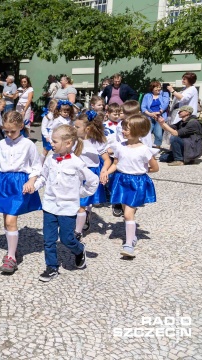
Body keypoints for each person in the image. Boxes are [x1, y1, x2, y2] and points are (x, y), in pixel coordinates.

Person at [0, 111, 43, 274]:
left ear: (21, 126)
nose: (9, 134)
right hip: (2, 183)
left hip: (19, 184)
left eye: (12, 131)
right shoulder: (0, 144)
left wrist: (32, 181)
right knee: (7, 219)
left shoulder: (28, 145)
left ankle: (11, 256)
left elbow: (37, 166)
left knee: (11, 219)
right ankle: (12, 248)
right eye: (6, 131)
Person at [33, 125, 99, 282]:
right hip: (49, 206)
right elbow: (43, 177)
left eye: (55, 142)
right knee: (48, 240)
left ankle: (79, 250)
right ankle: (51, 267)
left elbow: (93, 181)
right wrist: (33, 187)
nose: (51, 144)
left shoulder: (76, 163)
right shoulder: (50, 160)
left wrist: (79, 194)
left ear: (68, 143)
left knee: (66, 238)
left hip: (68, 208)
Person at [105, 115, 158, 258]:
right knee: (126, 212)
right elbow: (115, 163)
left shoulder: (144, 149)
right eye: (123, 128)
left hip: (136, 183)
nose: (122, 131)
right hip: (121, 181)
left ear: (137, 130)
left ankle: (129, 245)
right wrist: (105, 173)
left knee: (128, 214)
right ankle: (132, 235)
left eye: (126, 128)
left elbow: (155, 167)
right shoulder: (120, 146)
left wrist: (140, 171)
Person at [73, 111, 112, 239]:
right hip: (76, 174)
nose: (74, 128)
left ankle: (77, 232)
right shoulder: (73, 141)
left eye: (77, 127)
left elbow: (107, 160)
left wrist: (104, 171)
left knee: (81, 204)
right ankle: (85, 215)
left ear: (87, 128)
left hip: (90, 174)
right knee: (77, 202)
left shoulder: (97, 142)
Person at [141, 81, 169, 149]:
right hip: (149, 117)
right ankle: (145, 147)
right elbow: (143, 107)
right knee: (146, 133)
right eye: (156, 87)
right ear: (152, 88)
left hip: (159, 117)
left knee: (158, 134)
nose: (159, 89)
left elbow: (166, 103)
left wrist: (160, 112)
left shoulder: (164, 94)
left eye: (159, 87)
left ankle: (157, 148)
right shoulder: (147, 96)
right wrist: (150, 114)